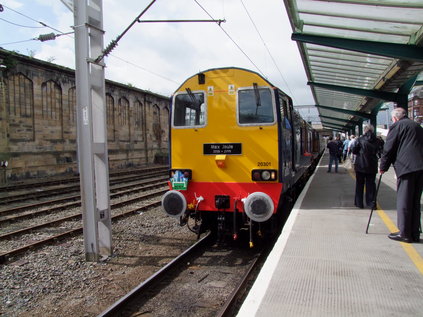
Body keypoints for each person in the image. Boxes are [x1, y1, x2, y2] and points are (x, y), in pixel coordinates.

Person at [379, 107, 423, 243]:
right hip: (420, 168)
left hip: (406, 168)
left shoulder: (397, 126)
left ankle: (404, 233)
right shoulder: (418, 126)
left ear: (395, 118)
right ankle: (414, 233)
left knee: (404, 200)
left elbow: (389, 148)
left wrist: (383, 167)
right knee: (415, 201)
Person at [351, 125, 382, 209]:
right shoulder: (378, 140)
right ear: (372, 131)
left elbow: (354, 151)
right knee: (371, 185)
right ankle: (371, 204)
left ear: (364, 131)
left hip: (360, 165)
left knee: (359, 184)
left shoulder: (360, 140)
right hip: (372, 165)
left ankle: (359, 203)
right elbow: (380, 152)